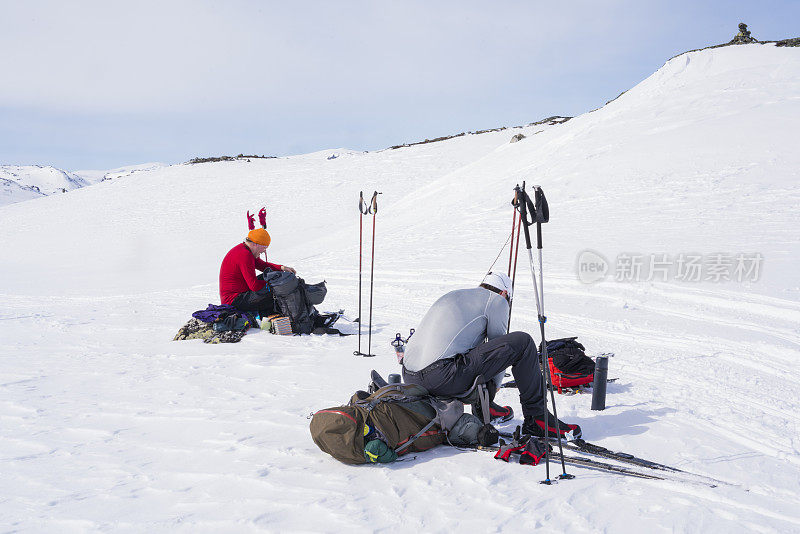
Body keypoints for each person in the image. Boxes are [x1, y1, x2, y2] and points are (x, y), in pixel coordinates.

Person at [401, 272, 582, 439]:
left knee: (471, 353)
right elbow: (501, 351)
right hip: (442, 376)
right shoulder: (496, 300)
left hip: (410, 377)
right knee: (523, 343)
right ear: (504, 293)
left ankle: (485, 407)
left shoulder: (457, 295)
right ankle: (538, 418)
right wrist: (495, 385)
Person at [219, 228, 296, 315]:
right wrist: (275, 284)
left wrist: (282, 268)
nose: (264, 251)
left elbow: (262, 265)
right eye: (264, 247)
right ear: (256, 244)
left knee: (271, 275)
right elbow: (254, 286)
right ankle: (275, 319)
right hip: (233, 301)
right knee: (277, 293)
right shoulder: (244, 255)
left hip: (239, 295)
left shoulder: (245, 250)